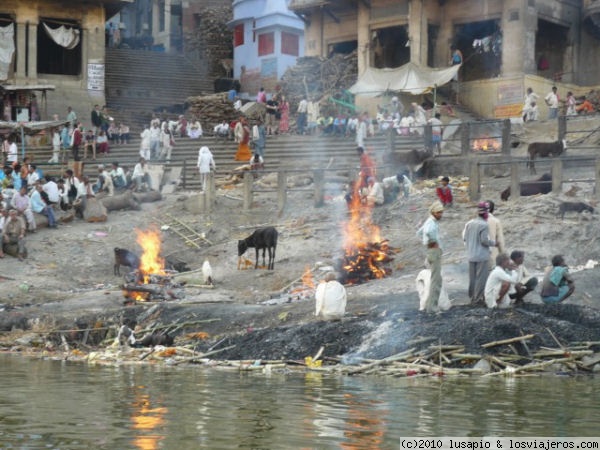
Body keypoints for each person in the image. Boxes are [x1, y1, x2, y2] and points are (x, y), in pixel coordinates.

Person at [463, 202, 496, 306]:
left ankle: (472, 298)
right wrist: (494, 243)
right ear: (486, 213)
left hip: (471, 255)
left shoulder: (470, 224)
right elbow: (484, 241)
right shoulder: (484, 225)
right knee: (481, 278)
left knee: (472, 278)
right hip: (481, 256)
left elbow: (465, 238)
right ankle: (477, 300)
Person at [416, 200, 444, 313]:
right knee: (435, 281)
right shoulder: (431, 223)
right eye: (439, 212)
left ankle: (430, 305)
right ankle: (432, 307)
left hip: (432, 251)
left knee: (436, 279)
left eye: (441, 212)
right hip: (434, 251)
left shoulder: (430, 221)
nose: (441, 214)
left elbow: (419, 233)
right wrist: (432, 242)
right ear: (433, 212)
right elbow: (428, 233)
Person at [486, 200, 505, 270]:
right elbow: (500, 240)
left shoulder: (473, 222)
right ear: (493, 210)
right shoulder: (495, 221)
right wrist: (503, 254)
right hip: (492, 255)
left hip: (477, 257)